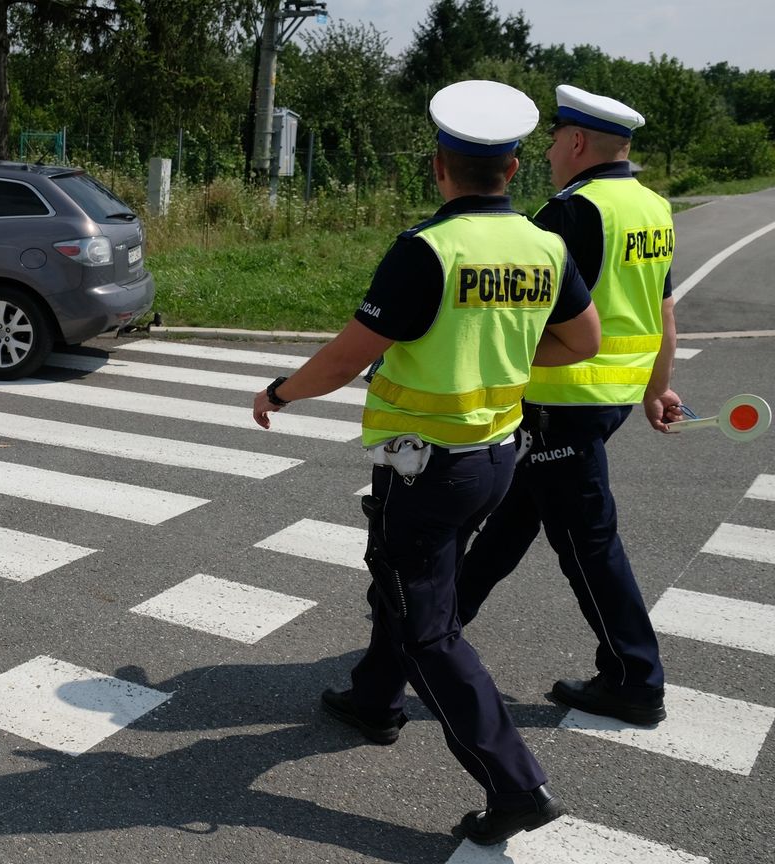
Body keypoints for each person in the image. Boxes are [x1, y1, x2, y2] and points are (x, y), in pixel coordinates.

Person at [252, 80, 600, 845]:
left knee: (429, 627)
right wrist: (502, 343)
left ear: (439, 169)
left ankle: (517, 785)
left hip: (428, 467)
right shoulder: (547, 246)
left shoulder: (428, 251)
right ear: (513, 170)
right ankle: (373, 699)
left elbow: (348, 358)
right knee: (411, 584)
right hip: (498, 454)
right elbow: (584, 342)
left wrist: (281, 390)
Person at [456, 85, 682, 727]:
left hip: (562, 401)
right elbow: (663, 311)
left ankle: (635, 679)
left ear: (577, 143)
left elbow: (523, 313)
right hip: (606, 400)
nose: (551, 151)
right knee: (514, 516)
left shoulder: (573, 211)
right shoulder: (652, 208)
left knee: (587, 541)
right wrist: (655, 387)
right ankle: (430, 631)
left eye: (555, 139)